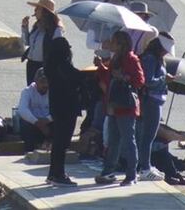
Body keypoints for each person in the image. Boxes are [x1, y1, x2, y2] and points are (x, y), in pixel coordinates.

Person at [95, 30, 145, 186]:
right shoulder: (116, 58)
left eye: (114, 42)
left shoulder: (131, 58)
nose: (111, 44)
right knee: (113, 140)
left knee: (128, 141)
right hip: (113, 105)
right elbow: (109, 79)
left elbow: (140, 80)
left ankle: (132, 174)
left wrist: (123, 76)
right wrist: (101, 67)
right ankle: (108, 171)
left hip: (126, 106)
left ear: (121, 44)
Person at [44, 37, 84, 186]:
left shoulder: (51, 65)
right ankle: (58, 174)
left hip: (56, 106)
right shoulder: (63, 65)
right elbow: (77, 77)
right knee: (62, 142)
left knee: (58, 141)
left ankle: (53, 173)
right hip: (66, 107)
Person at [137, 33, 175, 181]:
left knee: (148, 136)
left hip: (155, 101)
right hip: (151, 101)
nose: (166, 52)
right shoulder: (150, 59)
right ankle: (145, 168)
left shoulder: (155, 59)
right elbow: (148, 81)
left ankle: (146, 165)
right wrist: (164, 79)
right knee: (148, 136)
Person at [21, 0, 64, 84]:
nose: (35, 10)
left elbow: (58, 49)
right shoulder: (37, 26)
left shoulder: (56, 29)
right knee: (31, 90)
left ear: (45, 12)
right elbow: (27, 42)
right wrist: (24, 27)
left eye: (38, 8)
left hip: (43, 67)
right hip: (31, 64)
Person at [18, 68, 52, 152]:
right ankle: (29, 151)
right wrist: (37, 123)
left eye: (47, 82)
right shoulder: (27, 91)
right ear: (36, 81)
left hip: (48, 122)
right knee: (24, 124)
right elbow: (22, 110)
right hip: (33, 122)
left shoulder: (54, 91)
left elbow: (60, 109)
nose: (45, 85)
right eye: (42, 82)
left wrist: (47, 119)